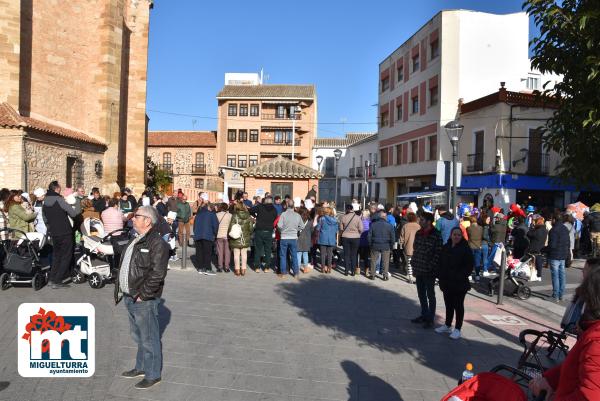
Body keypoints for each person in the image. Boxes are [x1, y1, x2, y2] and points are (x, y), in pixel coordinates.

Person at [529, 258, 600, 400]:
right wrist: (549, 379)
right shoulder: (592, 332)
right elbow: (576, 366)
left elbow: (589, 396)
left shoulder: (596, 341)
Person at [115, 205, 168, 390]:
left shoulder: (157, 243)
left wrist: (142, 295)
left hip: (142, 299)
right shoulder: (136, 239)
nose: (132, 219)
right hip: (130, 296)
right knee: (138, 336)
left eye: (136, 216)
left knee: (149, 337)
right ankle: (141, 367)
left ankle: (153, 374)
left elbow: (157, 274)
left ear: (147, 221)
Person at [435, 227, 474, 340]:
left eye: (459, 235)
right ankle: (447, 325)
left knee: (458, 306)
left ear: (461, 236)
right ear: (451, 235)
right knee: (448, 305)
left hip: (459, 284)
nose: (456, 237)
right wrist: (440, 275)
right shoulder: (446, 247)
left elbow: (469, 266)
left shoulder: (465, 248)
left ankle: (457, 329)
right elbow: (440, 262)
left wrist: (459, 276)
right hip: (446, 282)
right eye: (454, 234)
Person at [42, 181, 81, 288]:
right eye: (59, 188)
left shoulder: (45, 202)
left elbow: (45, 218)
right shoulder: (59, 200)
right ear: (57, 189)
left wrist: (50, 228)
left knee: (56, 256)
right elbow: (73, 213)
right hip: (65, 231)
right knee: (66, 256)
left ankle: (51, 278)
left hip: (54, 232)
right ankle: (58, 280)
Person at [411, 212, 443, 329]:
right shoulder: (418, 233)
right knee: (421, 294)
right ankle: (424, 314)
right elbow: (415, 249)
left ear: (429, 222)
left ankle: (430, 318)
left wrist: (431, 266)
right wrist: (413, 262)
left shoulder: (436, 235)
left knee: (430, 295)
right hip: (419, 268)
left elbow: (438, 253)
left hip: (429, 271)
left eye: (422, 220)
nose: (420, 222)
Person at [276, 199, 305, 278]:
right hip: (293, 238)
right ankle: (296, 273)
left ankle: (283, 273)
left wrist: (282, 231)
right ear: (294, 206)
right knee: (294, 255)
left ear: (287, 205)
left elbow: (279, 226)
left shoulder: (283, 214)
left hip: (284, 237)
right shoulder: (297, 215)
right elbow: (302, 226)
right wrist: (296, 230)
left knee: (283, 255)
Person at [250, 195, 278, 273]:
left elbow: (251, 210)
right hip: (269, 231)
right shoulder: (274, 209)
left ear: (265, 201)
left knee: (258, 249)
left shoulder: (260, 207)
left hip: (259, 230)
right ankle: (266, 267)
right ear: (271, 201)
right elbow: (275, 218)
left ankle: (257, 267)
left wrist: (255, 216)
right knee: (268, 250)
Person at [547, 213, 571, 302]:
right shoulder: (565, 228)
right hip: (563, 254)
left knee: (555, 275)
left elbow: (552, 245)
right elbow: (568, 242)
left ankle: (555, 295)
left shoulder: (553, 230)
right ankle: (561, 295)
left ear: (554, 220)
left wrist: (544, 249)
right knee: (562, 275)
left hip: (555, 255)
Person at [193, 198, 218, 275]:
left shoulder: (198, 215)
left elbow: (194, 226)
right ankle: (208, 269)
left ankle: (200, 268)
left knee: (199, 252)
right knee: (207, 253)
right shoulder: (211, 214)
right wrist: (215, 234)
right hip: (208, 235)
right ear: (208, 207)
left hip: (198, 235)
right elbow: (215, 226)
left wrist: (196, 233)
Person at [368, 210, 395, 281]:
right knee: (385, 261)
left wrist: (370, 244)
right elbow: (393, 237)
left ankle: (372, 275)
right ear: (385, 217)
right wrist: (391, 246)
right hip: (386, 245)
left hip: (375, 245)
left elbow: (369, 236)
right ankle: (385, 275)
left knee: (373, 260)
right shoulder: (389, 225)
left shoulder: (373, 224)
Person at [229, 201, 253, 276]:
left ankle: (237, 270)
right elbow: (251, 228)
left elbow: (230, 228)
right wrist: (248, 234)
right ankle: (243, 269)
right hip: (245, 237)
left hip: (236, 237)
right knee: (244, 254)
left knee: (236, 254)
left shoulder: (234, 215)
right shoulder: (248, 215)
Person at [340, 203, 363, 276]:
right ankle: (353, 271)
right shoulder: (357, 217)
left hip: (345, 237)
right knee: (354, 254)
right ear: (352, 209)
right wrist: (358, 234)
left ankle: (346, 271)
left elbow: (341, 228)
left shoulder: (343, 217)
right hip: (355, 238)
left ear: (346, 209)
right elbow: (361, 229)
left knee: (346, 254)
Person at [399, 212, 421, 282]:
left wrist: (401, 244)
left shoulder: (405, 226)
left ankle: (410, 277)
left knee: (409, 262)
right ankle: (416, 275)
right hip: (417, 247)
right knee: (416, 262)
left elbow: (401, 237)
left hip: (408, 246)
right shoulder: (418, 226)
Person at [316, 207, 338, 273]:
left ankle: (322, 268)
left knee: (322, 254)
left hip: (323, 238)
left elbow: (318, 228)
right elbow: (336, 230)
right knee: (330, 254)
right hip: (331, 238)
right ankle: (329, 268)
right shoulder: (335, 220)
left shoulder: (322, 219)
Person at [527, 216, 548, 282]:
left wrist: (532, 227)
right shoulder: (545, 230)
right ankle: (539, 275)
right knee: (539, 261)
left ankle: (532, 275)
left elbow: (529, 234)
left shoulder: (537, 230)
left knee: (531, 262)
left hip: (533, 247)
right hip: (541, 247)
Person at [215, 203, 232, 273]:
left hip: (219, 235)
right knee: (227, 252)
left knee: (220, 252)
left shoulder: (217, 215)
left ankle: (220, 267)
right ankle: (227, 267)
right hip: (227, 236)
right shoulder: (230, 215)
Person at [466, 216, 484, 280]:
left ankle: (469, 275)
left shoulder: (468, 228)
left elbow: (468, 236)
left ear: (470, 221)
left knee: (470, 261)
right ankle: (477, 275)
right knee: (477, 261)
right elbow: (482, 236)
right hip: (478, 246)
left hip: (470, 245)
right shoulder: (481, 228)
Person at [297, 207, 313, 273]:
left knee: (298, 254)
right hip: (307, 239)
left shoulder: (297, 220)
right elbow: (312, 230)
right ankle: (305, 268)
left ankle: (297, 269)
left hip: (299, 238)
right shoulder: (310, 221)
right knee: (305, 254)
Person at [358, 210, 372, 274]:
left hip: (360, 241)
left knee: (358, 255)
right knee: (366, 257)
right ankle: (366, 269)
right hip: (367, 241)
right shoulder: (370, 222)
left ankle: (357, 268)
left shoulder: (360, 221)